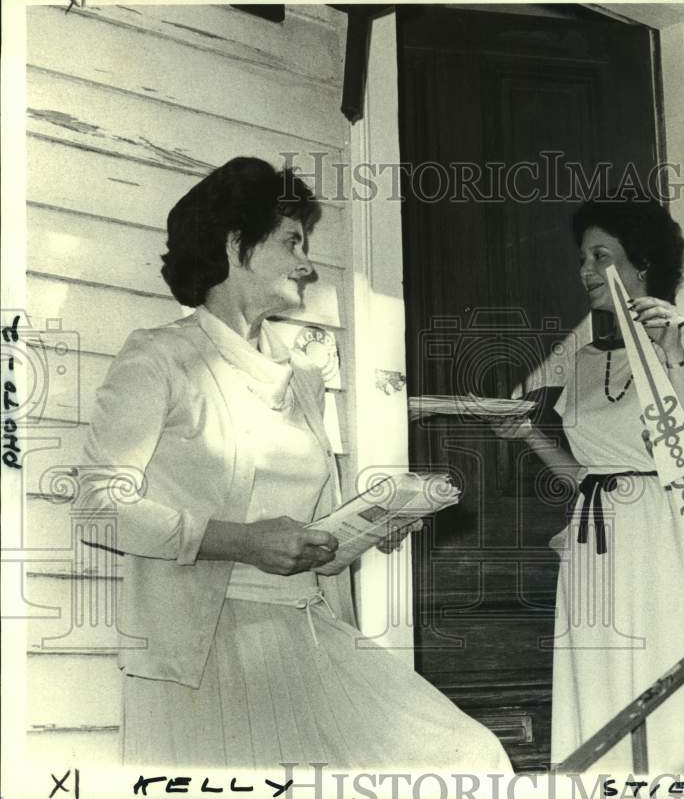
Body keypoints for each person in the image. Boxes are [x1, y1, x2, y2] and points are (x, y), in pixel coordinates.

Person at [80, 157, 512, 770]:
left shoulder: (303, 380)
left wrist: (361, 531)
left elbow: (309, 538)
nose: (307, 263)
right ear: (236, 244)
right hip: (202, 650)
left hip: (307, 629)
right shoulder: (159, 359)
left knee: (466, 757)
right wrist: (241, 542)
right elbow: (96, 507)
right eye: (292, 241)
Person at [494, 197, 684, 772]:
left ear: (641, 264)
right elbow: (587, 474)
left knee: (674, 671)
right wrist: (528, 434)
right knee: (600, 679)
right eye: (582, 259)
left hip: (669, 526)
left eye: (599, 257)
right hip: (594, 536)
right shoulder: (579, 362)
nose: (585, 272)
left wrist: (671, 356)